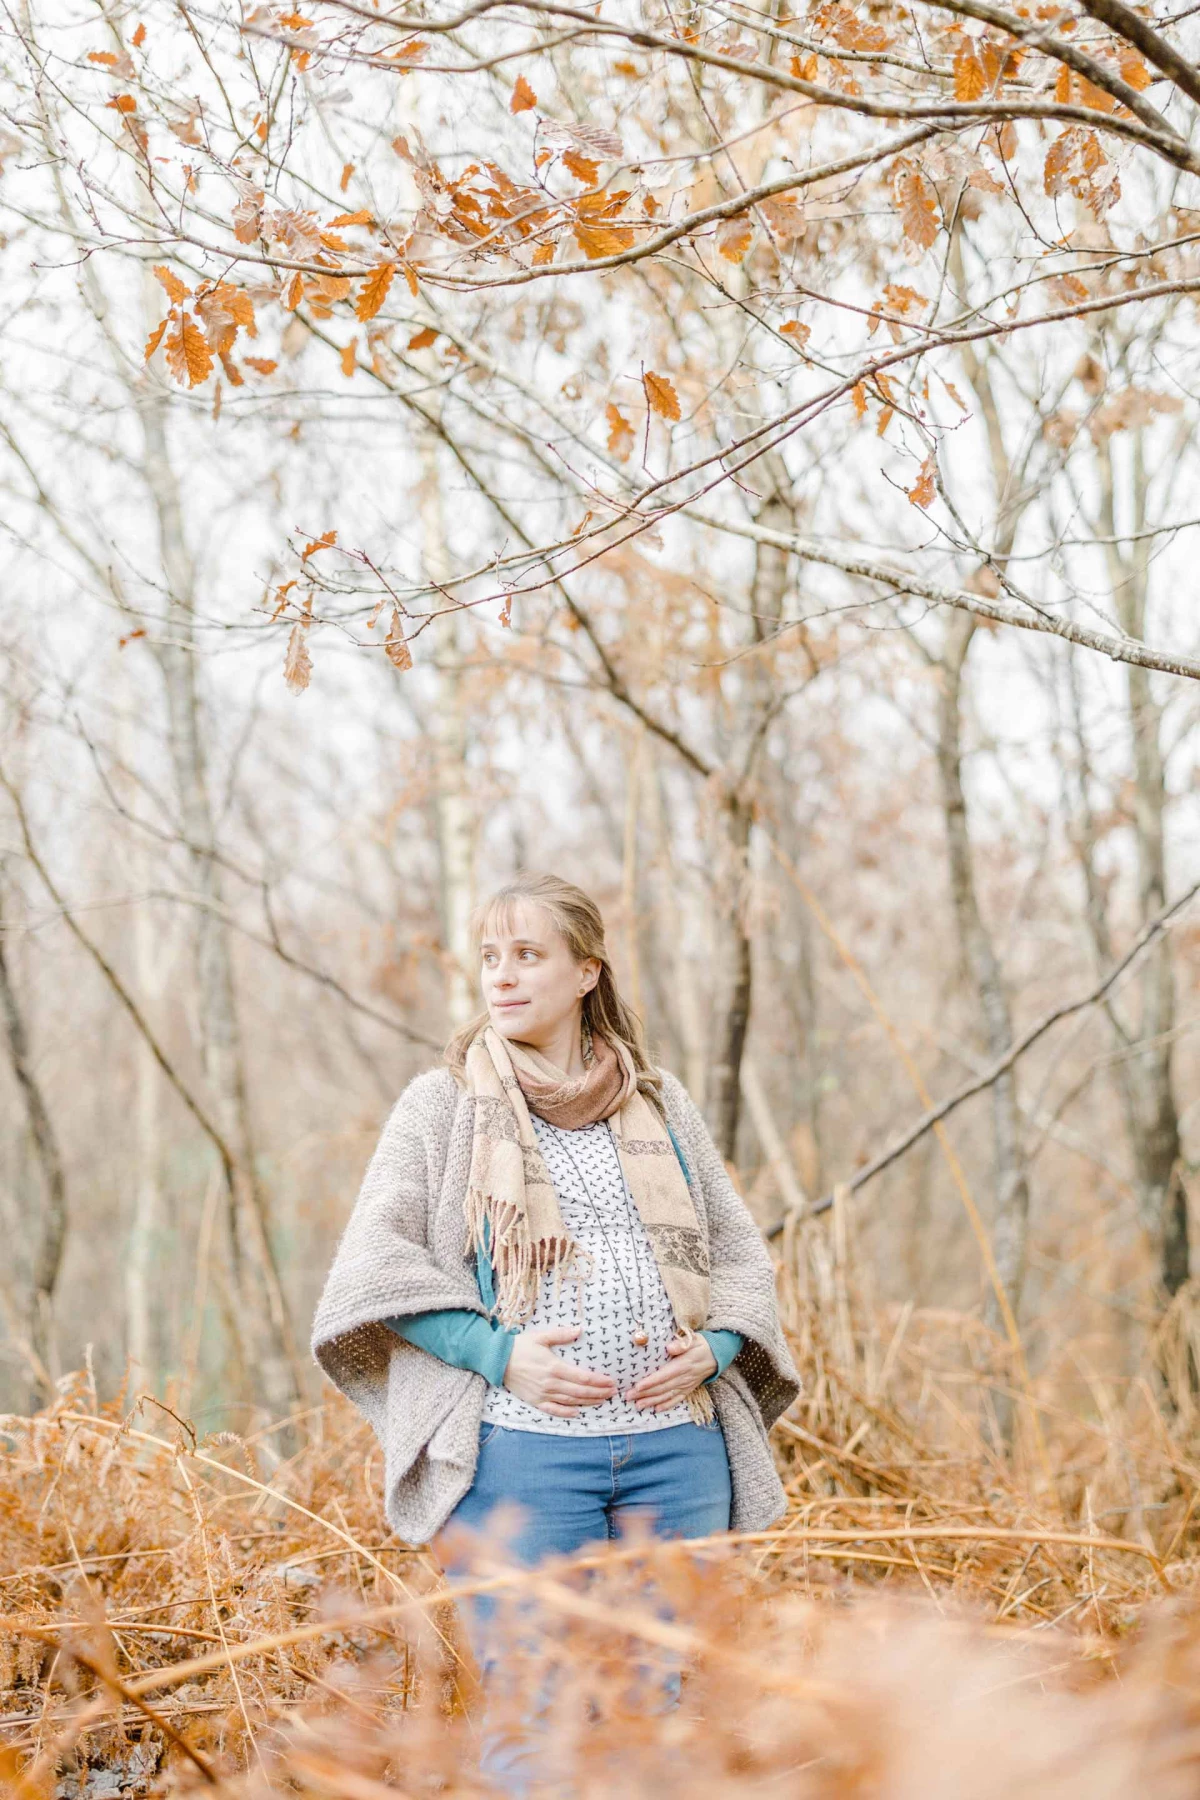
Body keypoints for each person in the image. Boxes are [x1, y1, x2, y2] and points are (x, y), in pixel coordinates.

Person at [311, 870, 799, 1767]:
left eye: (528, 955)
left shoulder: (657, 1100)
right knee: (537, 1714)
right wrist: (498, 1355)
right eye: (490, 957)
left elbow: (738, 1250)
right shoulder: (443, 1105)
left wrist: (719, 1346)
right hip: (525, 1455)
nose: (502, 975)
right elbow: (375, 1265)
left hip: (678, 1454)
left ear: (586, 973)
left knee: (657, 1712)